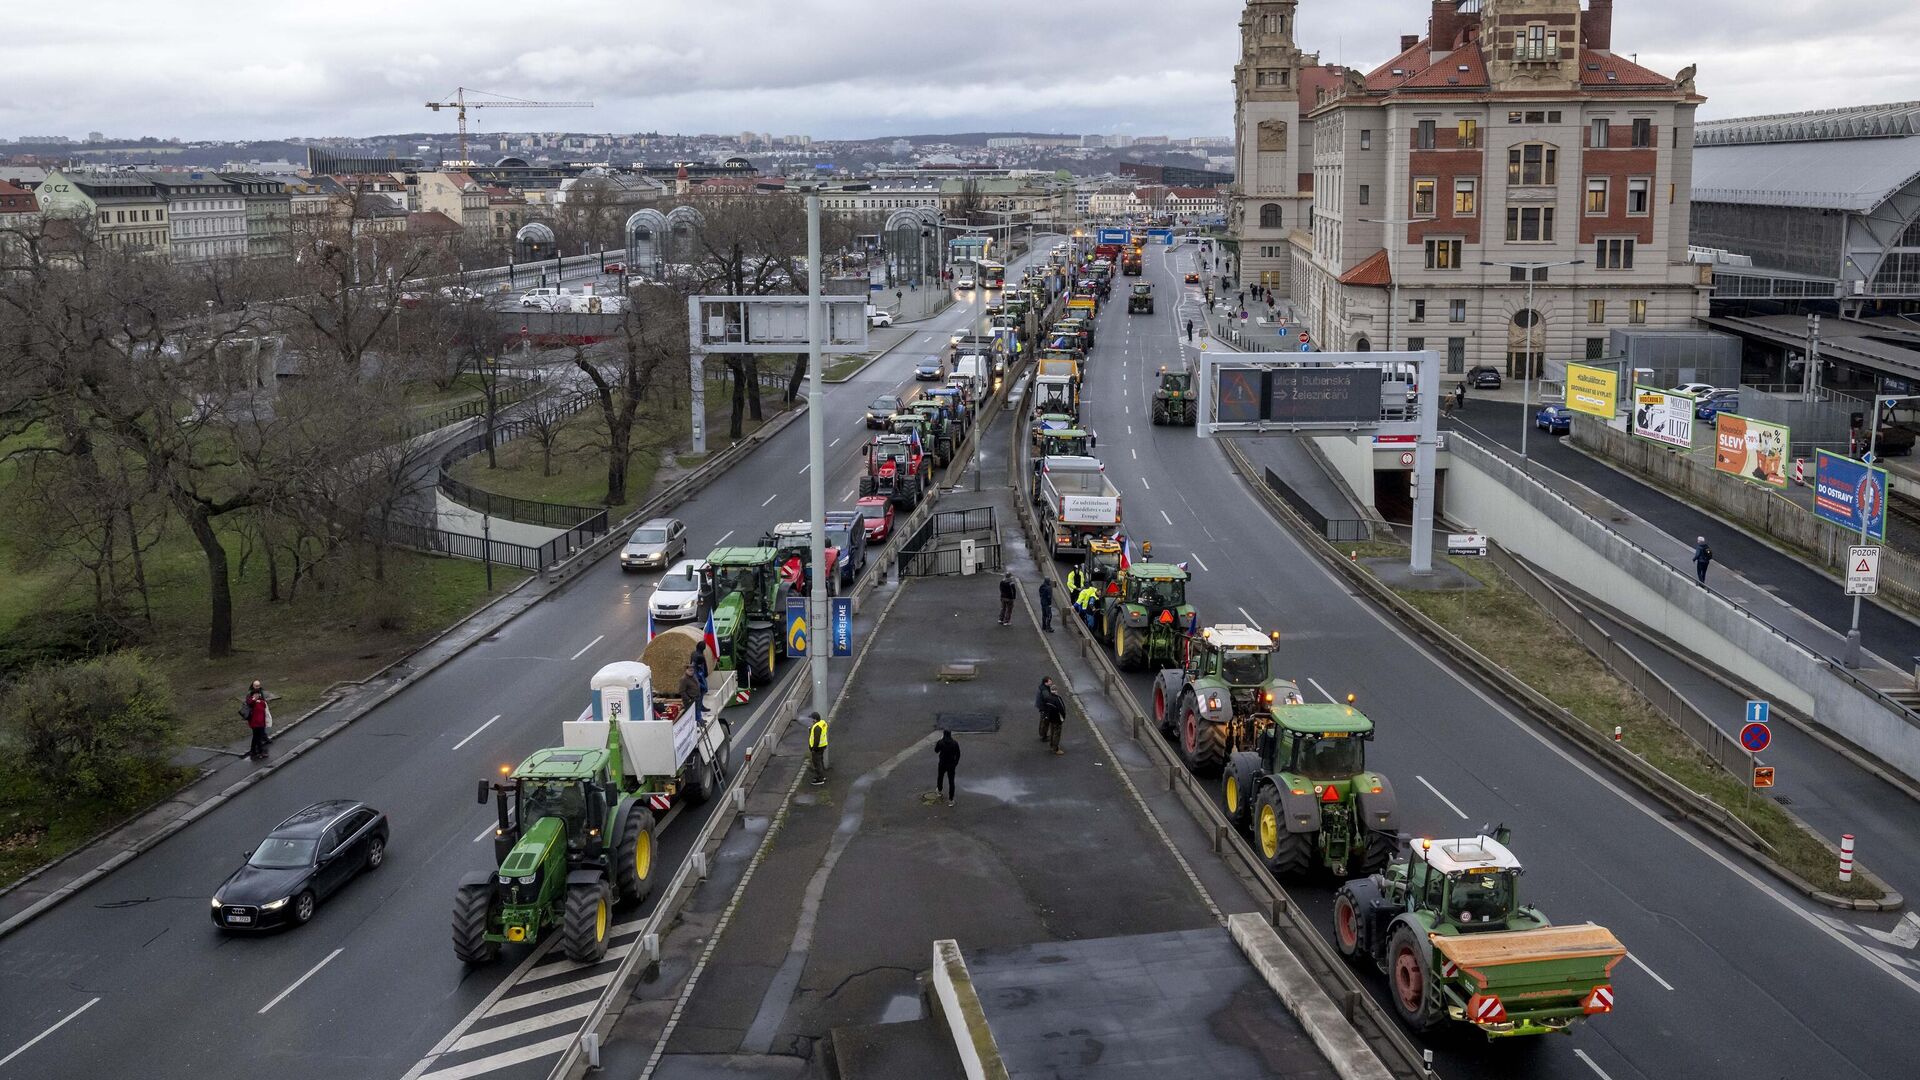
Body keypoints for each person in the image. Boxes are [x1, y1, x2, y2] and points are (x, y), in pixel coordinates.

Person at [242, 681, 271, 760]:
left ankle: (255, 751)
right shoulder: (251, 700)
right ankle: (258, 751)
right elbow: (249, 703)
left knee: (257, 737)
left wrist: (259, 700)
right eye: (256, 694)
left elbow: (264, 705)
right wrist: (254, 699)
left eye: (258, 694)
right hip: (255, 723)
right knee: (256, 737)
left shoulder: (261, 701)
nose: (257, 695)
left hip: (261, 723)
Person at [934, 729, 961, 806]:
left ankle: (939, 790)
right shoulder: (955, 743)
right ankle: (951, 800)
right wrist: (955, 763)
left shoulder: (941, 742)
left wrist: (939, 741)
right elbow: (958, 754)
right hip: (951, 764)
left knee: (940, 777)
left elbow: (936, 751)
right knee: (951, 782)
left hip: (942, 763)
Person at [1040, 683, 1067, 756]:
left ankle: (1051, 745)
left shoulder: (1048, 698)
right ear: (1056, 690)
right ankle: (1056, 748)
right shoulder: (1057, 699)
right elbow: (1062, 709)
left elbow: (1044, 708)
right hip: (1057, 719)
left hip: (1050, 719)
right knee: (1057, 733)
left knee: (1052, 731)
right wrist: (1063, 718)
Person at [808, 711, 830, 785]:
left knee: (817, 763)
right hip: (823, 745)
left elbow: (816, 739)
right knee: (820, 761)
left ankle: (820, 779)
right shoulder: (823, 723)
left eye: (812, 719)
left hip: (817, 748)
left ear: (815, 719)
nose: (811, 720)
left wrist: (813, 749)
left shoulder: (817, 727)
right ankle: (822, 776)